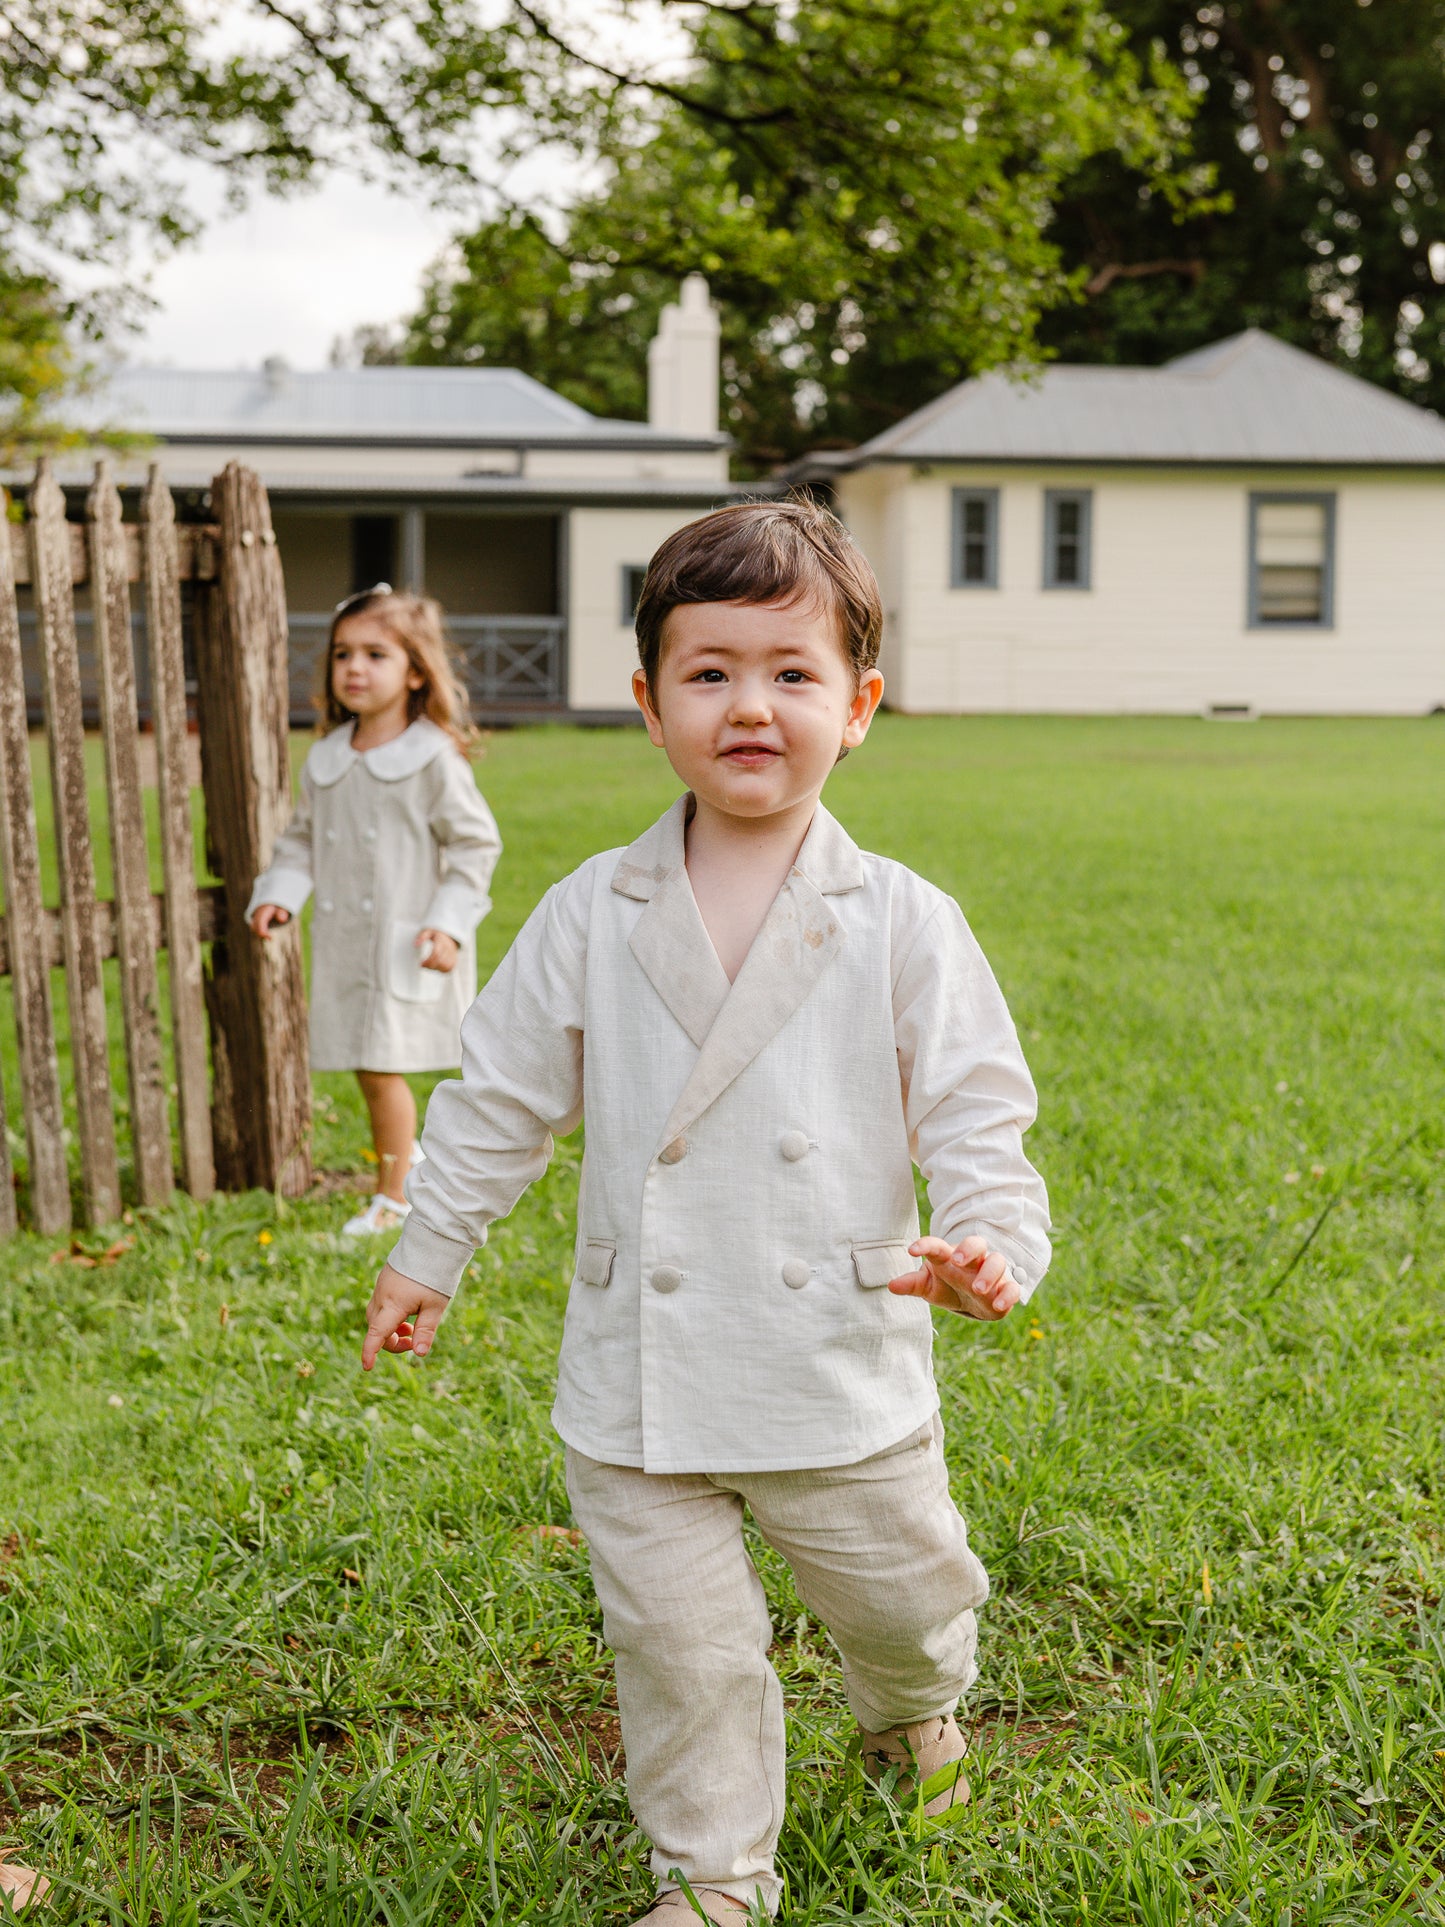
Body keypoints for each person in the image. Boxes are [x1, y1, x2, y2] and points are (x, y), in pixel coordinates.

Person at [362, 503, 1050, 1922]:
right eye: (711, 670)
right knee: (680, 1645)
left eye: (792, 673)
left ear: (858, 707)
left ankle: (911, 1710)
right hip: (642, 1367)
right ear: (649, 700)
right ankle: (716, 1876)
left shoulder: (904, 918)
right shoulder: (585, 910)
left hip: (837, 1362)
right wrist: (430, 1251)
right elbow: (494, 1099)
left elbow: (978, 1115)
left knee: (909, 1608)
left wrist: (991, 1239)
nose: (752, 705)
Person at [248, 586, 502, 1238]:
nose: (354, 668)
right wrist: (279, 892)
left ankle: (396, 1194)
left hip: (405, 936)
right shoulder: (328, 757)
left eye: (375, 654)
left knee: (381, 1064)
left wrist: (447, 922)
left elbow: (474, 845)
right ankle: (406, 1164)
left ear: (415, 670)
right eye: (342, 654)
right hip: (346, 938)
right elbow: (301, 839)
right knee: (367, 1063)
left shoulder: (431, 757)